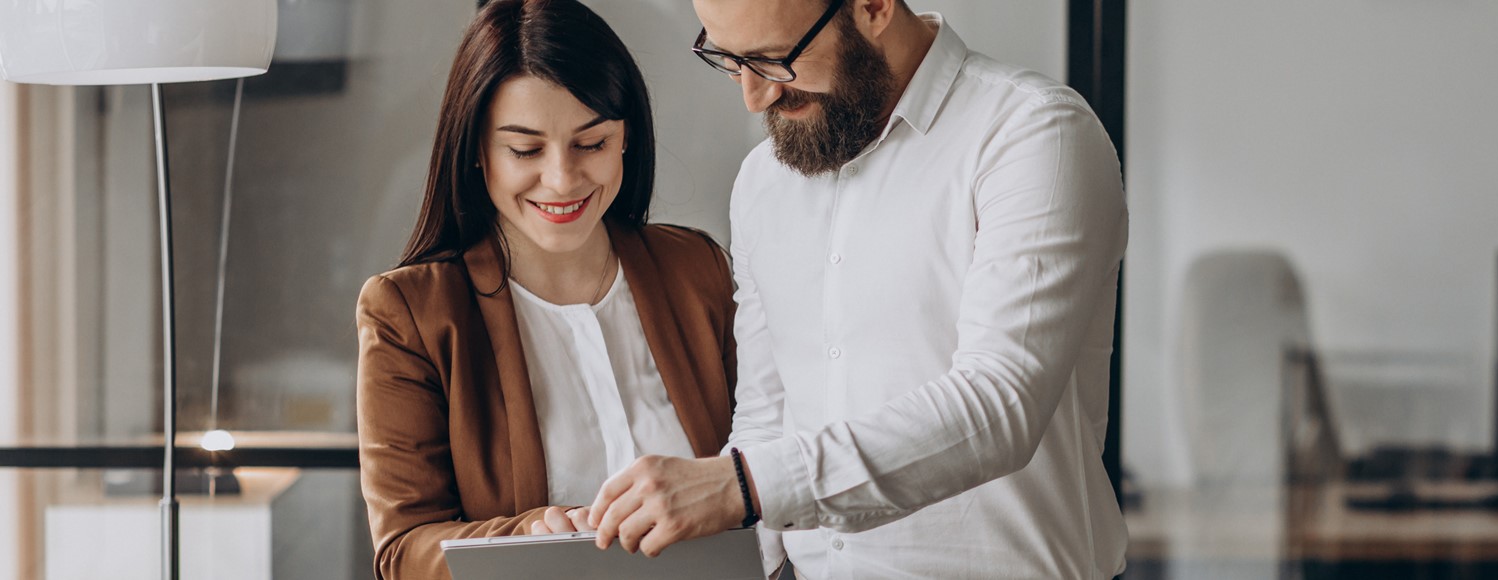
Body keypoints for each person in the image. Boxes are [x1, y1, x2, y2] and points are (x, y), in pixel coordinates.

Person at [586, 0, 1130, 577]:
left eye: (774, 59)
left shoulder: (1033, 133)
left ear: (873, 7)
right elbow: (768, 415)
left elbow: (1000, 404)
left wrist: (743, 486)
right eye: (729, 59)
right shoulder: (761, 182)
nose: (753, 96)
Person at [354, 1, 738, 578]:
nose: (562, 178)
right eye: (525, 149)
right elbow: (403, 550)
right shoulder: (409, 314)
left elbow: (771, 466)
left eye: (592, 144)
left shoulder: (698, 269)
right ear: (477, 151)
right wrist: (534, 539)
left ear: (626, 137)